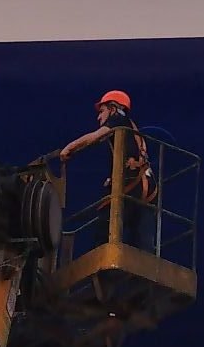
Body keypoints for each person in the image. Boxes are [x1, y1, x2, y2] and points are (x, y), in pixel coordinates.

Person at [57, 90, 156, 250]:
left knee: (105, 227)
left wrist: (69, 148)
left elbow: (95, 137)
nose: (99, 117)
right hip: (148, 189)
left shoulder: (118, 119)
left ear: (113, 108)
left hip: (132, 186)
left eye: (102, 111)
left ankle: (104, 258)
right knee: (142, 246)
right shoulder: (133, 128)